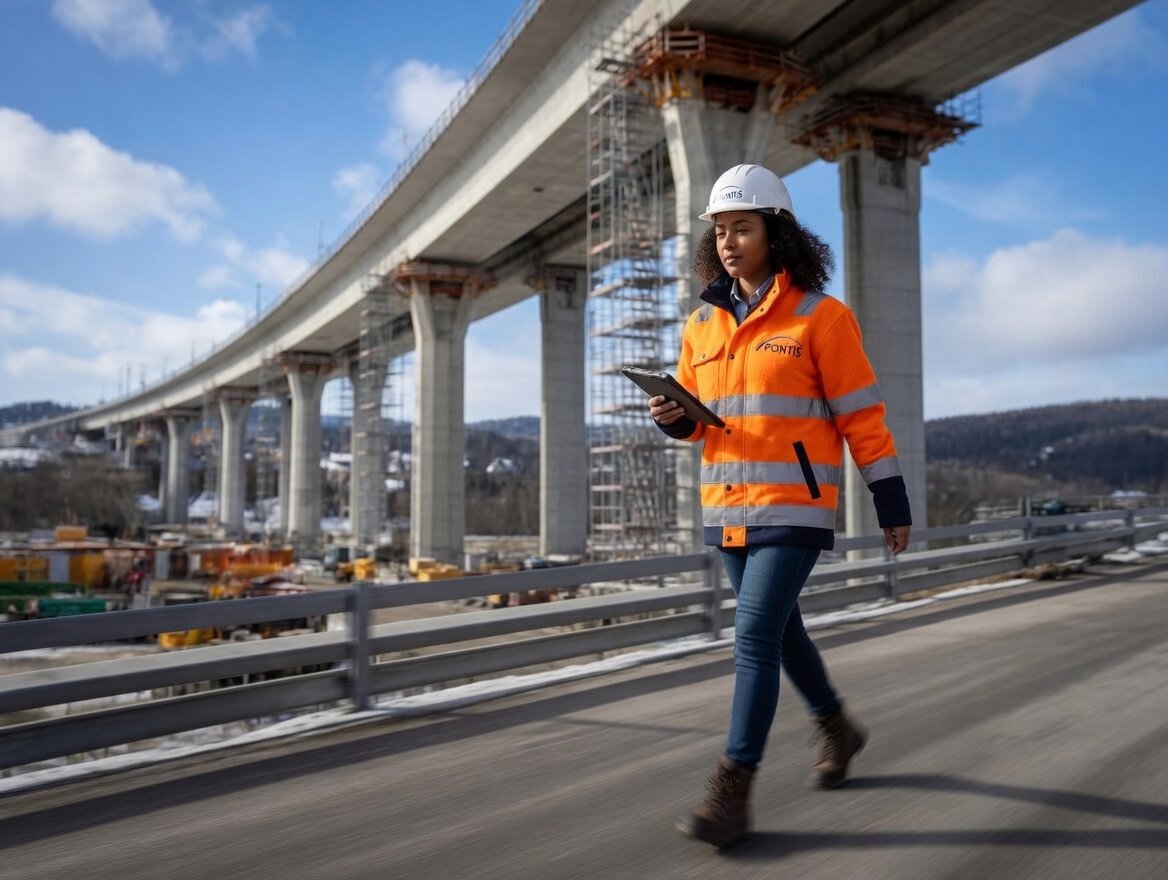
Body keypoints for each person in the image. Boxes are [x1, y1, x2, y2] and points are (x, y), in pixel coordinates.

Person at [649, 164, 912, 848]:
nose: (731, 240)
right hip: (728, 505)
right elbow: (706, 424)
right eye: (721, 230)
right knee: (781, 633)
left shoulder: (820, 317)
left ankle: (731, 790)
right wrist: (673, 417)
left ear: (776, 232)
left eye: (744, 227)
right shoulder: (701, 326)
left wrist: (890, 498)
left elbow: (862, 415)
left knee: (753, 638)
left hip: (794, 505)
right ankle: (837, 727)